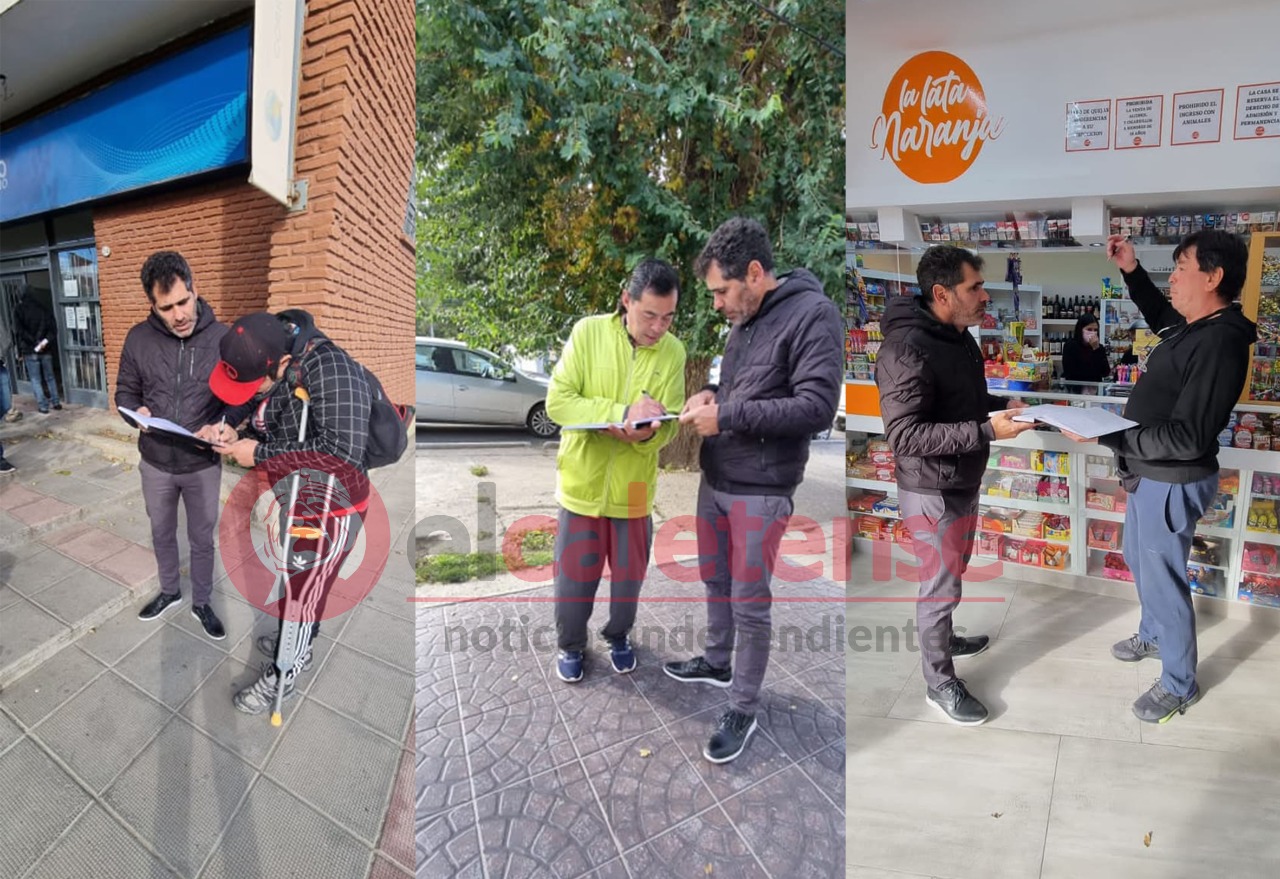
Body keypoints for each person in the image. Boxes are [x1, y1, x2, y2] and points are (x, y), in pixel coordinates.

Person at [665, 217, 842, 764]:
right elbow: (740, 389)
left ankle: (743, 705)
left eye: (721, 290)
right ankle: (718, 664)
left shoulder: (815, 316)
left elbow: (815, 408)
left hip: (761, 489)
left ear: (756, 273)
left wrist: (731, 413)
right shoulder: (744, 322)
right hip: (717, 477)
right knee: (714, 579)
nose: (717, 304)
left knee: (749, 602)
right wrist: (708, 393)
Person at [1065, 232, 1255, 723]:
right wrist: (1130, 269)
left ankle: (1179, 684)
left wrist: (1114, 436)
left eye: (1181, 267)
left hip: (1172, 479)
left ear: (1213, 277)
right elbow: (1158, 314)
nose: (1171, 277)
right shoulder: (1196, 327)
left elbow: (1189, 437)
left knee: (1163, 577)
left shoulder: (1220, 342)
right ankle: (1152, 634)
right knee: (1138, 558)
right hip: (1150, 474)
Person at [875, 245, 1037, 726]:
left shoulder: (958, 334)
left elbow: (959, 398)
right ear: (942, 294)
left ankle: (942, 638)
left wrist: (1000, 404)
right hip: (932, 490)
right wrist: (988, 430)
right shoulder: (906, 348)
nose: (985, 295)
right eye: (975, 287)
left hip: (961, 479)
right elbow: (903, 435)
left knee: (954, 571)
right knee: (939, 588)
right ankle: (938, 682)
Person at [209, 310, 373, 715]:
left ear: (277, 363)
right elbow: (273, 416)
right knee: (293, 586)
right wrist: (236, 430)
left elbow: (342, 454)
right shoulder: (281, 351)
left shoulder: (330, 368)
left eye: (251, 380)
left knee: (302, 597)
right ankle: (291, 640)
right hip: (296, 498)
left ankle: (286, 673)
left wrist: (259, 454)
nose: (248, 390)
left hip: (330, 511)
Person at [545, 258, 686, 683]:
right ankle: (571, 645)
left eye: (668, 318)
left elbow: (669, 427)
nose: (658, 327)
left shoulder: (674, 352)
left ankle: (618, 635)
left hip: (634, 493)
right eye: (649, 315)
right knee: (573, 583)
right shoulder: (588, 333)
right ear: (627, 300)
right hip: (581, 487)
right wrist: (618, 412)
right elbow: (559, 402)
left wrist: (644, 436)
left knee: (628, 584)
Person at [116, 252, 235, 640]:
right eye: (166, 308)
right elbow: (125, 393)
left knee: (202, 538)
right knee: (162, 532)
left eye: (183, 302)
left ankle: (202, 602)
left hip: (201, 463)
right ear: (153, 305)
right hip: (156, 462)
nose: (179, 314)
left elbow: (240, 399)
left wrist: (223, 425)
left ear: (194, 289)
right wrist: (136, 412)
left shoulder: (222, 339)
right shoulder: (138, 339)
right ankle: (169, 591)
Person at [14, 285, 62, 413]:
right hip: (45, 350)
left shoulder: (19, 309)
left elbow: (20, 332)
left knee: (36, 380)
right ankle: (56, 402)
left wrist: (32, 345)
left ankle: (43, 406)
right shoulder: (44, 308)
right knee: (50, 377)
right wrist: (43, 343)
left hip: (30, 350)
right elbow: (53, 330)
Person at [1061, 314, 1111, 384]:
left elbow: (1105, 372)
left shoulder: (1100, 348)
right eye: (1089, 329)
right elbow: (1070, 372)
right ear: (1080, 330)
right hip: (1075, 388)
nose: (1093, 332)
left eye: (1095, 330)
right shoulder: (1070, 346)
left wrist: (1096, 349)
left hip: (1094, 389)